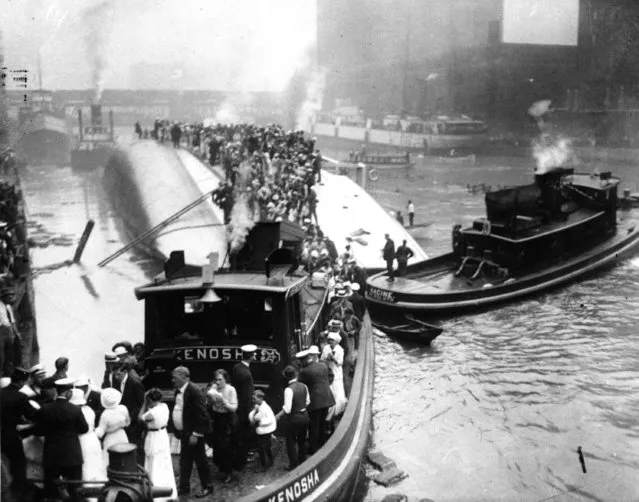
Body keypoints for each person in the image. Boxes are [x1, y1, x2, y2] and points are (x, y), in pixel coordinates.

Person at [35, 378, 89, 500]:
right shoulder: (75, 410)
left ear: (57, 391)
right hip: (72, 456)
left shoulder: (45, 409)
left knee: (51, 492)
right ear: (68, 392)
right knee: (74, 491)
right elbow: (83, 429)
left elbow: (38, 431)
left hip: (52, 456)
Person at [171, 366, 214, 499]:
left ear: (185, 377)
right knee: (185, 461)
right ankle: (184, 487)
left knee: (201, 461)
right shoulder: (178, 391)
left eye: (175, 377)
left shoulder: (194, 391)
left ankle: (207, 486)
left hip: (194, 435)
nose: (172, 380)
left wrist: (196, 434)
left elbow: (203, 415)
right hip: (184, 433)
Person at [139, 388, 177, 502]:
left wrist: (144, 404)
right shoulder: (164, 406)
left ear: (150, 400)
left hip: (154, 437)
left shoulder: (151, 413)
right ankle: (167, 489)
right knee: (164, 463)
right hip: (163, 435)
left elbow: (140, 418)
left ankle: (156, 493)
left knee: (153, 463)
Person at [0, 368, 35, 494]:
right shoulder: (21, 397)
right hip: (11, 435)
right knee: (18, 465)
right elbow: (32, 415)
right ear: (21, 382)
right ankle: (16, 494)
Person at [298, 346, 335, 455]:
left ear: (304, 360)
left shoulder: (305, 371)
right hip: (327, 398)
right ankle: (322, 443)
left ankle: (313, 449)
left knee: (314, 426)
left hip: (315, 402)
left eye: (301, 361)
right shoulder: (323, 365)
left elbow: (300, 385)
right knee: (322, 423)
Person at [69, 388, 106, 488]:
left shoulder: (76, 412)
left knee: (86, 466)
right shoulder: (89, 410)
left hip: (83, 439)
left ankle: (87, 489)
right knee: (95, 463)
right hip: (93, 439)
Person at [275, 365, 310, 470]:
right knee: (302, 440)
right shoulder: (304, 386)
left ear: (286, 377)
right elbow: (308, 401)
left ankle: (293, 464)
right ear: (296, 374)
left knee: (290, 441)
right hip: (305, 416)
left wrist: (278, 415)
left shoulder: (288, 390)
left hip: (294, 418)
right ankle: (302, 460)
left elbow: (287, 409)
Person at [207, 369, 238, 484]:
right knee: (217, 445)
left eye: (220, 379)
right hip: (217, 418)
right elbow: (209, 404)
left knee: (227, 447)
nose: (218, 382)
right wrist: (210, 398)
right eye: (216, 379)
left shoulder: (231, 389)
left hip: (227, 419)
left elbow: (234, 408)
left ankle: (229, 472)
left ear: (226, 379)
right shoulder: (214, 388)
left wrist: (224, 401)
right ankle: (222, 469)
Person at [231, 344, 255, 471]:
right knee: (244, 435)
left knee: (239, 435)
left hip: (237, 406)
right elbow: (248, 395)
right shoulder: (247, 374)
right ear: (251, 356)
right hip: (244, 410)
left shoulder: (236, 367)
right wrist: (249, 413)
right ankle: (241, 461)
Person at [115, 358, 145, 458]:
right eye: (115, 374)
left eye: (118, 374)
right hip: (126, 422)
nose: (116, 377)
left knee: (136, 446)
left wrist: (133, 418)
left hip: (134, 422)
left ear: (125, 372)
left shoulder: (135, 384)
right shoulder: (119, 383)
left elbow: (142, 404)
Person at [95, 388, 130, 467]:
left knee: (109, 460)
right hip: (122, 435)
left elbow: (100, 432)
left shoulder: (105, 415)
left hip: (110, 438)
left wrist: (94, 431)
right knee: (123, 458)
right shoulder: (123, 408)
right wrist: (120, 425)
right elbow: (128, 422)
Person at [248, 389, 276, 472]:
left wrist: (260, 422)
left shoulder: (265, 408)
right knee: (266, 447)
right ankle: (270, 461)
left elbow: (271, 419)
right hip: (263, 430)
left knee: (262, 448)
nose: (253, 401)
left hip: (265, 430)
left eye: (255, 399)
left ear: (260, 399)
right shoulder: (259, 406)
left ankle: (264, 466)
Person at [320, 334, 347, 419]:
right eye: (329, 340)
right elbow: (322, 359)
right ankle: (330, 410)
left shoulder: (340, 350)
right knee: (330, 389)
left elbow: (340, 363)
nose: (330, 342)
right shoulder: (326, 348)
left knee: (337, 390)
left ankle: (338, 410)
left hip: (336, 372)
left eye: (332, 341)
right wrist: (326, 359)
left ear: (336, 341)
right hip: (328, 371)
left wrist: (333, 358)